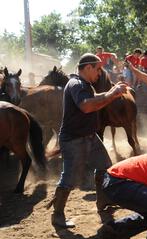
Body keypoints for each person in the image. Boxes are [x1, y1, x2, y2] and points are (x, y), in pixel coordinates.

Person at [46, 53, 128, 229]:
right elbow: (86, 106)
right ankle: (57, 215)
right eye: (98, 69)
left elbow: (93, 100)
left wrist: (110, 94)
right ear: (88, 67)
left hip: (89, 136)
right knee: (70, 178)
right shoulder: (76, 84)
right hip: (74, 139)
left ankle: (104, 206)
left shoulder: (84, 85)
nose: (100, 73)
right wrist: (112, 94)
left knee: (105, 168)